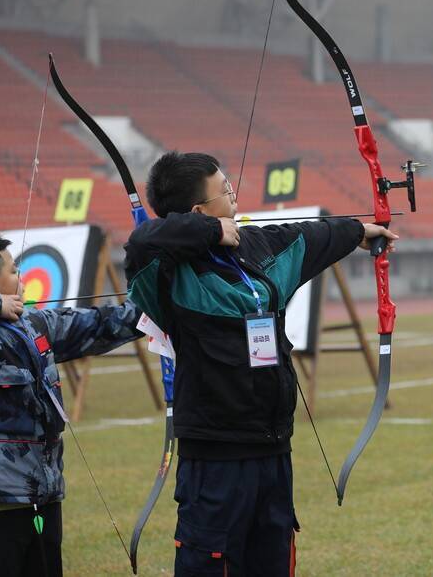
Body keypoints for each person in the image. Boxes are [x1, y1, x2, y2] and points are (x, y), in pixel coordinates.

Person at [124, 152, 397, 575]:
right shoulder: (168, 274)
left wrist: (358, 230)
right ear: (199, 212)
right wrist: (212, 232)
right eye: (224, 190)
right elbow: (143, 241)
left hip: (273, 452)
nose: (234, 195)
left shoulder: (256, 247)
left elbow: (308, 237)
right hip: (215, 462)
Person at [0, 233, 143, 577]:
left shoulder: (36, 324)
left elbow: (104, 323)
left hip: (45, 493)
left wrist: (155, 299)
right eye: (14, 269)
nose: (22, 277)